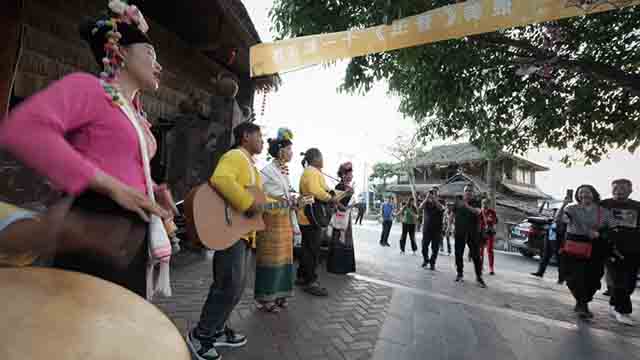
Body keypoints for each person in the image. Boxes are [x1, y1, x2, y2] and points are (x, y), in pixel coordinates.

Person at [0, 0, 174, 298]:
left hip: (129, 229)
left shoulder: (135, 114)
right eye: (149, 53)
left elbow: (117, 163)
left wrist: (151, 189)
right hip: (94, 223)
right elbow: (23, 129)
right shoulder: (90, 89)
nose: (158, 65)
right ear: (119, 52)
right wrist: (110, 185)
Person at [187, 122, 264, 360]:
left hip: (241, 234)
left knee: (236, 287)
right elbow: (220, 179)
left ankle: (217, 330)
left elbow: (257, 199)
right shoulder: (235, 155)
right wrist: (247, 203)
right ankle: (201, 335)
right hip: (230, 232)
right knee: (227, 285)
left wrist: (282, 202)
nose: (262, 141)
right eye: (259, 136)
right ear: (245, 136)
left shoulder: (250, 165)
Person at [254, 128, 298, 313]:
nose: (291, 153)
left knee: (284, 260)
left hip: (284, 222)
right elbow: (259, 195)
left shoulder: (284, 172)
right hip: (270, 223)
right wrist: (282, 201)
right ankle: (266, 299)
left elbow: (287, 194)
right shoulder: (266, 171)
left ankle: (280, 294)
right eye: (289, 149)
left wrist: (295, 200)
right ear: (280, 150)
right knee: (270, 260)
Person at [556, 184, 609, 320]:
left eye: (587, 192)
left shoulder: (602, 211)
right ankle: (582, 304)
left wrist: (599, 233)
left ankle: (582, 301)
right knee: (575, 277)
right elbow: (560, 219)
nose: (584, 195)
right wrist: (563, 204)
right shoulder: (571, 208)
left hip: (595, 248)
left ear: (594, 194)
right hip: (574, 247)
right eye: (581, 193)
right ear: (577, 196)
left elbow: (610, 228)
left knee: (593, 278)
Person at [296, 148, 337, 297]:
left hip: (306, 216)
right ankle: (310, 282)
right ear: (316, 159)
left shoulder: (311, 171)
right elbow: (315, 191)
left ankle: (302, 276)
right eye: (322, 157)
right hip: (310, 216)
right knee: (312, 250)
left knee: (307, 248)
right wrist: (330, 198)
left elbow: (323, 188)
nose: (323, 160)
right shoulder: (312, 171)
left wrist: (330, 193)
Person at [601, 179, 640, 326]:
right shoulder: (604, 204)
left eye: (623, 188)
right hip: (611, 248)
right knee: (618, 279)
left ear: (630, 190)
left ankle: (614, 303)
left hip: (634, 249)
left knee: (630, 283)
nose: (619, 190)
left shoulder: (637, 206)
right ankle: (622, 310)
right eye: (615, 188)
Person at [453, 185, 487, 288]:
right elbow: (453, 214)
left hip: (472, 233)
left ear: (473, 193)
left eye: (470, 191)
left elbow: (478, 212)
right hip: (459, 232)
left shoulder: (476, 202)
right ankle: (459, 274)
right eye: (466, 191)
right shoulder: (458, 202)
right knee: (458, 254)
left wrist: (466, 205)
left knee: (476, 256)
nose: (468, 192)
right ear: (464, 192)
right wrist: (448, 227)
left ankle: (479, 277)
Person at [327, 162, 356, 274]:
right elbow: (336, 203)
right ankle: (336, 267)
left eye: (352, 174)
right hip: (339, 218)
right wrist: (346, 204)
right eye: (350, 174)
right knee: (338, 239)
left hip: (346, 218)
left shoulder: (348, 187)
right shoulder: (339, 187)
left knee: (344, 240)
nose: (352, 176)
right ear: (344, 175)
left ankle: (344, 267)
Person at [531, 209, 563, 283]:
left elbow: (562, 229)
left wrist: (556, 229)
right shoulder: (552, 218)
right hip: (549, 237)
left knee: (559, 259)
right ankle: (540, 272)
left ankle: (561, 278)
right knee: (545, 256)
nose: (554, 214)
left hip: (556, 239)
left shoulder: (563, 218)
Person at [419, 188, 445, 270]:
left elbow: (441, 208)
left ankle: (432, 263)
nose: (432, 193)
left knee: (435, 248)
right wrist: (426, 198)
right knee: (424, 246)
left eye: (434, 192)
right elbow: (420, 208)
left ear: (437, 193)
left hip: (437, 229)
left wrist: (434, 199)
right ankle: (426, 260)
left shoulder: (441, 201)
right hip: (427, 228)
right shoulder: (426, 202)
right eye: (431, 192)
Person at [479, 199, 498, 275]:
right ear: (481, 203)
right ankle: (480, 266)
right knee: (480, 250)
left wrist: (491, 220)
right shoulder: (480, 211)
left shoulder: (492, 212)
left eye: (486, 203)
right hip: (481, 232)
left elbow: (496, 221)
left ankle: (491, 268)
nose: (485, 204)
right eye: (483, 203)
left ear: (489, 204)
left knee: (490, 250)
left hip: (490, 233)